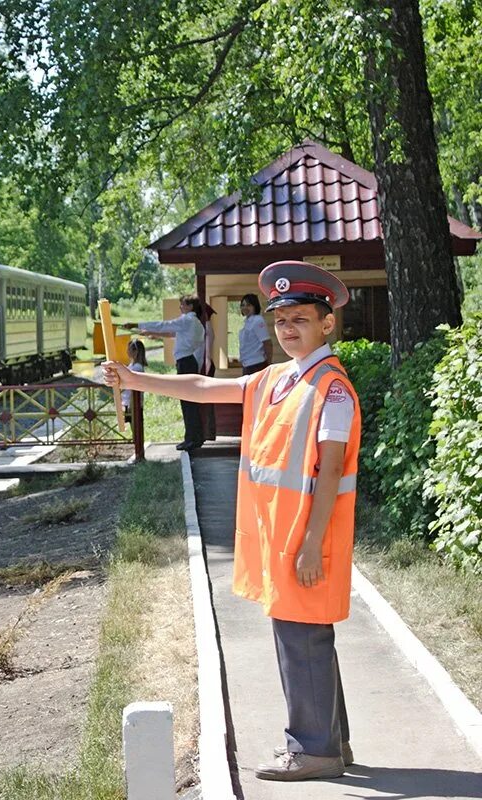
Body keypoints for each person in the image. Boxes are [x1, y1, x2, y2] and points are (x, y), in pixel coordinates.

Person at [103, 261, 359, 782]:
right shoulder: (278, 378)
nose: (288, 329)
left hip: (307, 539)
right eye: (281, 320)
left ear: (327, 324)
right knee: (305, 639)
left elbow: (331, 469)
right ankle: (332, 744)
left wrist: (312, 543)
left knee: (302, 641)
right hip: (282, 538)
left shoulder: (329, 388)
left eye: (301, 320)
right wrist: (135, 379)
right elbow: (200, 387)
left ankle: (314, 750)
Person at [123, 296, 205, 451]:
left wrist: (136, 324)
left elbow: (165, 325)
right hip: (189, 362)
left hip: (185, 363)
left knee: (187, 403)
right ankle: (196, 437)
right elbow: (173, 333)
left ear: (190, 306)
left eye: (183, 304)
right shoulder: (196, 323)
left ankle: (191, 439)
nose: (180, 307)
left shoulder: (186, 320)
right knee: (191, 402)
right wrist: (154, 333)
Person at [197, 301, 218, 440]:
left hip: (206, 365)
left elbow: (208, 345)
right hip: (204, 364)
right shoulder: (203, 326)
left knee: (206, 400)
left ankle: (208, 432)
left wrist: (206, 363)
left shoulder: (206, 326)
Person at [239, 293, 273, 375]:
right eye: (243, 305)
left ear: (255, 306)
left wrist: (268, 364)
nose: (245, 308)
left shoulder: (258, 321)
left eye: (248, 305)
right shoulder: (247, 321)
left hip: (256, 364)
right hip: (247, 364)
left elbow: (267, 343)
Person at [122, 338, 148, 422]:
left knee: (136, 428)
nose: (127, 351)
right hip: (129, 402)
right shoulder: (132, 365)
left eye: (129, 349)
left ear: (135, 352)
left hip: (133, 403)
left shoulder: (137, 368)